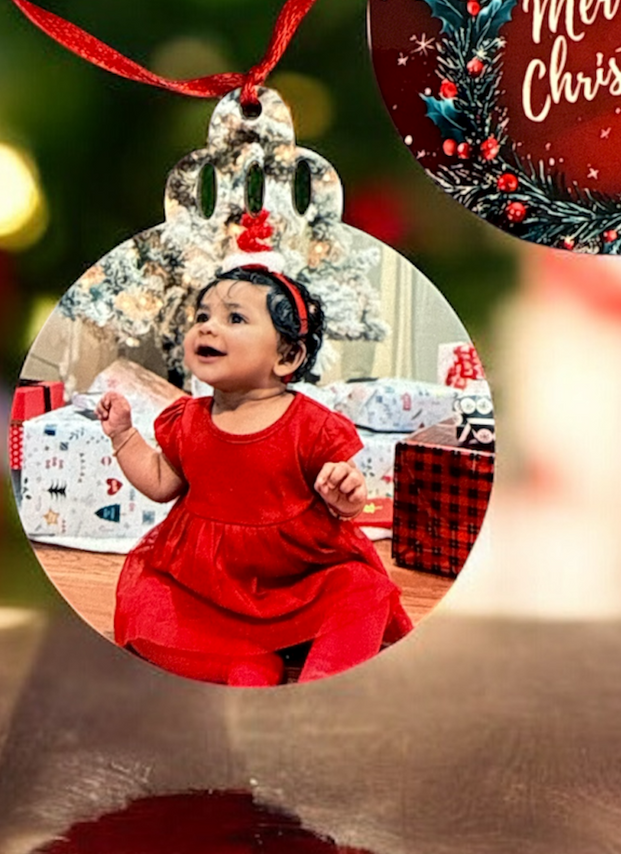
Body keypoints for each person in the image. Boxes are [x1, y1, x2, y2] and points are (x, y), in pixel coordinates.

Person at [95, 266, 411, 685]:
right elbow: (158, 481)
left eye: (235, 317)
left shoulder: (310, 425)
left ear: (287, 356)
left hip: (297, 580)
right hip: (207, 588)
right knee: (148, 599)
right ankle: (242, 664)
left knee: (362, 590)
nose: (208, 327)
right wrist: (123, 435)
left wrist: (345, 496)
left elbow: (348, 498)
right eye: (202, 316)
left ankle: (323, 677)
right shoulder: (187, 420)